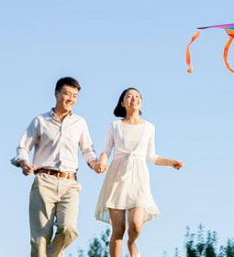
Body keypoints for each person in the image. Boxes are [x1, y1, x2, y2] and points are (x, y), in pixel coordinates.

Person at [11, 76, 104, 257]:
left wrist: (95, 164)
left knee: (68, 229)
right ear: (56, 94)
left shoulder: (80, 123)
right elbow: (23, 147)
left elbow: (87, 150)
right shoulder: (40, 121)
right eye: (67, 94)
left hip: (70, 183)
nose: (71, 99)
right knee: (40, 240)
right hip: (44, 181)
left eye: (75, 96)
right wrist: (23, 162)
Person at [95, 87, 184, 257]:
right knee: (118, 229)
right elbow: (106, 150)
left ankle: (131, 242)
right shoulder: (115, 126)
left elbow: (152, 156)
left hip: (139, 178)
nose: (133, 99)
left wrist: (171, 162)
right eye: (129, 96)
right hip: (117, 178)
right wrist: (102, 162)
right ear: (122, 103)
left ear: (141, 101)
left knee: (135, 225)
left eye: (136, 96)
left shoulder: (149, 127)